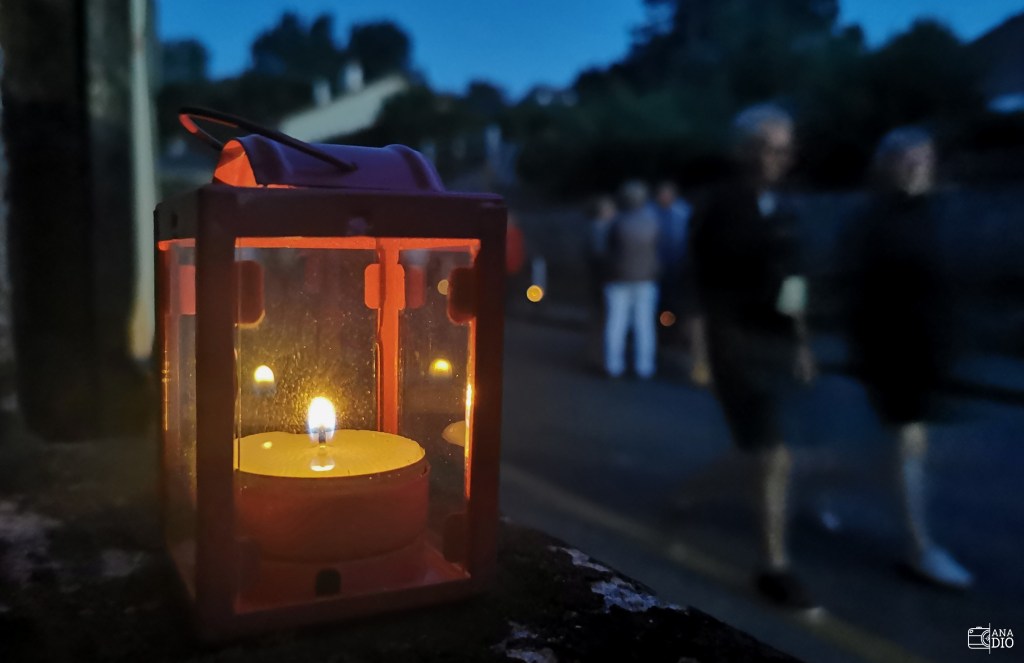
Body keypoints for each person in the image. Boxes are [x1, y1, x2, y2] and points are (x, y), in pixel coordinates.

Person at [689, 104, 815, 608]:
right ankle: (774, 565)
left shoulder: (786, 205)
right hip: (734, 339)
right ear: (742, 150)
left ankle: (692, 495)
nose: (773, 157)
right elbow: (696, 281)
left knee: (764, 447)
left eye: (782, 148)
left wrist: (803, 343)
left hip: (778, 340)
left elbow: (796, 278)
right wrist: (698, 351)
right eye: (763, 146)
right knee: (770, 449)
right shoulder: (719, 204)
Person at [846, 127, 972, 589]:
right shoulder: (876, 220)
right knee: (905, 451)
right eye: (908, 159)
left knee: (905, 452)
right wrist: (870, 357)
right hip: (894, 355)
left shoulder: (932, 213)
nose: (918, 166)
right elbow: (862, 295)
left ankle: (811, 490)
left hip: (929, 354)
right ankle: (918, 548)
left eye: (925, 159)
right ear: (888, 165)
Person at [603, 181, 660, 379]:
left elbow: (608, 250)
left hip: (619, 278)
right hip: (645, 279)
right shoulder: (652, 221)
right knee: (644, 325)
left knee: (616, 324)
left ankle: (614, 365)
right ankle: (644, 367)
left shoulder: (618, 222)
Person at [586, 195, 618, 367]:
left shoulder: (596, 228)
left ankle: (596, 356)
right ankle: (597, 357)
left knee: (600, 319)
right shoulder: (599, 229)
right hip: (601, 281)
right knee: (601, 319)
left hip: (599, 280)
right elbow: (599, 256)